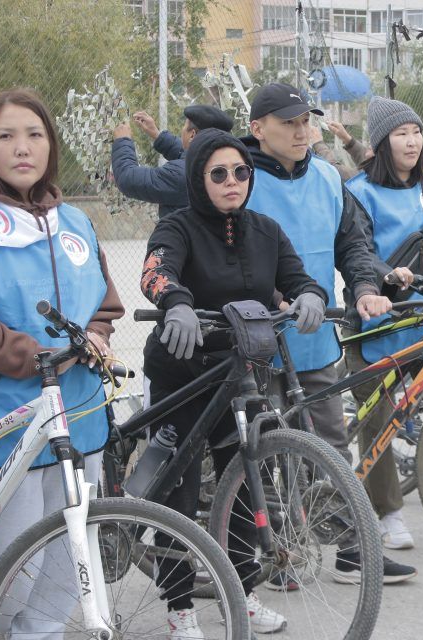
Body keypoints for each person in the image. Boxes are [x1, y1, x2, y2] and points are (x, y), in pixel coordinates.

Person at [0, 89, 124, 633]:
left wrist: (97, 335)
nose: (23, 147)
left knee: (71, 559)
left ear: (51, 145)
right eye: (6, 136)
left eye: (35, 135)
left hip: (78, 414)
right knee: (11, 570)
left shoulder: (74, 221)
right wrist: (43, 357)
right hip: (2, 416)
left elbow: (104, 305)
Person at [140, 127, 328, 635]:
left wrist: (311, 295)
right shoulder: (176, 226)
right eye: (218, 173)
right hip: (182, 375)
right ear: (198, 179)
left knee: (246, 484)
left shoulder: (265, 230)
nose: (232, 181)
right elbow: (155, 273)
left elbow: (297, 278)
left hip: (242, 375)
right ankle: (179, 608)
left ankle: (241, 596)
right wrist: (175, 302)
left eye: (241, 171)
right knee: (178, 493)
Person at [241, 83, 417, 585]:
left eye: (306, 121)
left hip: (316, 342)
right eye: (289, 123)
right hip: (257, 345)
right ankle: (277, 554)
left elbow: (353, 245)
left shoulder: (326, 176)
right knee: (264, 452)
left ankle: (350, 551)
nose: (302, 131)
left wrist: (365, 288)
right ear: (258, 129)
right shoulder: (241, 178)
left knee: (332, 449)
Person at [344, 97, 423, 551]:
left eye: (416, 132)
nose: (412, 141)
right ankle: (388, 513)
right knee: (378, 419)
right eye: (401, 133)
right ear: (381, 143)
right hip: (377, 321)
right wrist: (387, 275)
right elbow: (357, 251)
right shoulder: (360, 191)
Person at [111, 104, 233, 218]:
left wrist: (122, 141)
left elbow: (127, 179)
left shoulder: (182, 175)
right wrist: (157, 135)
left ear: (192, 135)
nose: (182, 131)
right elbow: (187, 154)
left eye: (184, 127)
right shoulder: (223, 169)